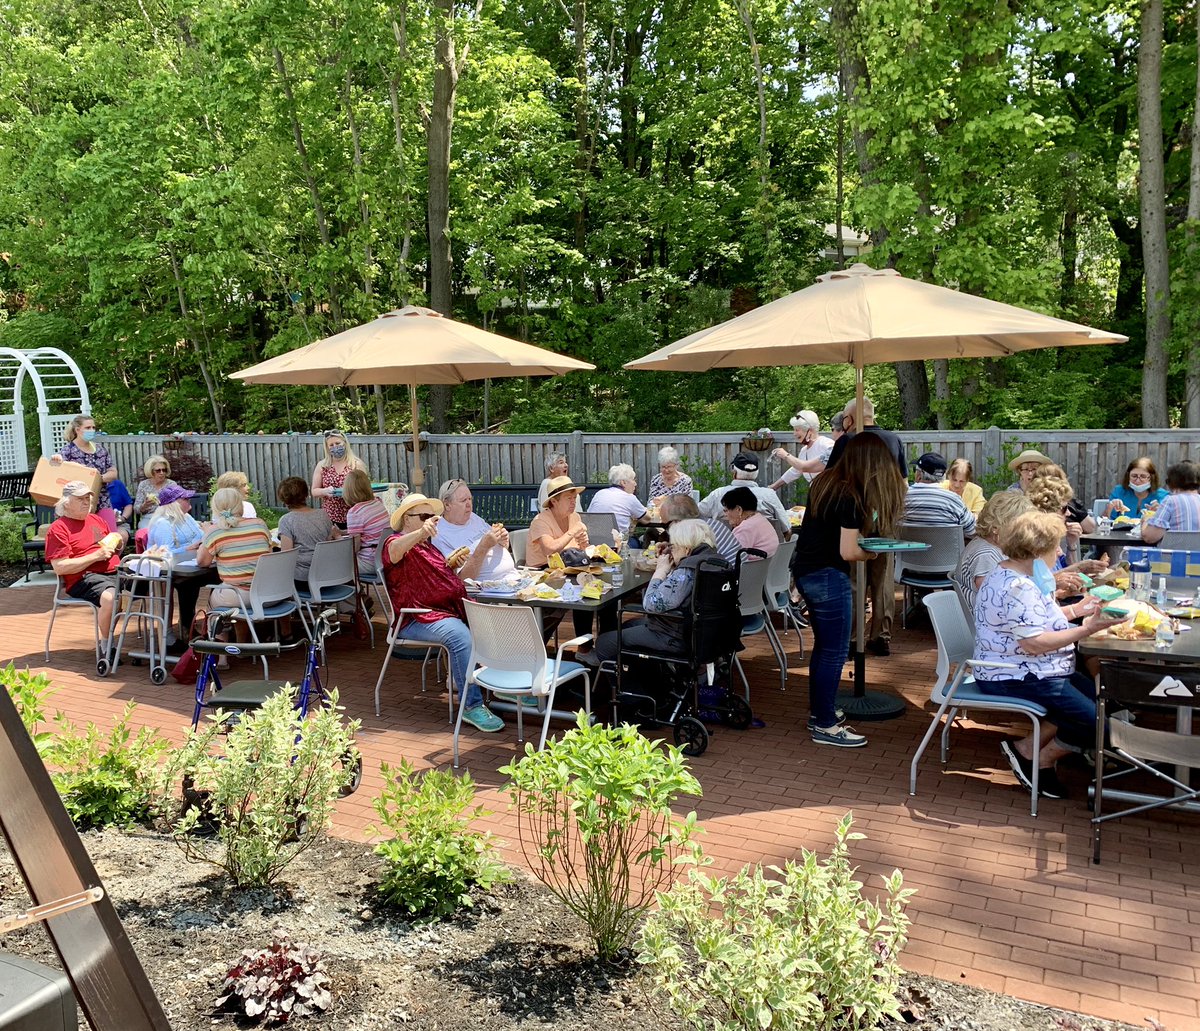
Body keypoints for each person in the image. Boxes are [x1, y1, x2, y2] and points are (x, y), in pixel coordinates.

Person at [973, 511, 1126, 799]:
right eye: (1054, 546)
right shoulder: (1017, 587)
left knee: (1104, 700)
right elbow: (1035, 643)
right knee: (1098, 723)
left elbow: (1037, 621)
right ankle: (1038, 756)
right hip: (1016, 675)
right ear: (1034, 549)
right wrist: (1087, 628)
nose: (1059, 551)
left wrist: (1078, 610)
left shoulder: (1017, 575)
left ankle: (1030, 752)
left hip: (1034, 670)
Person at [790, 434, 907, 747]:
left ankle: (821, 711)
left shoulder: (824, 483)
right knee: (834, 652)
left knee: (824, 649)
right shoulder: (850, 495)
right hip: (829, 577)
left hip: (807, 572)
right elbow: (848, 551)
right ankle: (825, 725)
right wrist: (872, 553)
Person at [382, 493, 504, 733]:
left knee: (490, 621)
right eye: (426, 517)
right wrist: (419, 533)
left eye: (433, 517)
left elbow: (436, 578)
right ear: (408, 519)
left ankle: (503, 687)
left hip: (442, 611)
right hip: (417, 617)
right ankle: (471, 705)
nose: (432, 522)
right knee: (460, 637)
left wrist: (451, 564)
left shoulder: (429, 547)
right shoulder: (396, 542)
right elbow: (394, 552)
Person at [588, 519, 726, 668]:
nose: (671, 550)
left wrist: (661, 570)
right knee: (629, 625)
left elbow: (651, 604)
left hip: (675, 636)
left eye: (674, 546)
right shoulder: (714, 560)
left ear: (686, 548)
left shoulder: (687, 571)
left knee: (604, 642)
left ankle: (630, 685)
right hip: (705, 633)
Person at [45, 481, 121, 647]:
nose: (87, 502)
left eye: (88, 498)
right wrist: (95, 556)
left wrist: (118, 541)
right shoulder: (58, 529)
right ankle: (107, 646)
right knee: (111, 598)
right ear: (66, 503)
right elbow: (60, 567)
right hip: (84, 577)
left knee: (155, 585)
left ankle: (164, 640)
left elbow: (111, 546)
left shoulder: (96, 519)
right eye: (81, 499)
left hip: (115, 571)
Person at [145, 483, 216, 637]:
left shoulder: (186, 518)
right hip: (169, 572)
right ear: (175, 503)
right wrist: (190, 547)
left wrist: (203, 539)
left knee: (218, 576)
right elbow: (165, 552)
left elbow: (199, 537)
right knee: (188, 584)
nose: (190, 503)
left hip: (192, 566)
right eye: (186, 499)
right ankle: (187, 626)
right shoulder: (163, 524)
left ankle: (215, 623)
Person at [196, 487, 273, 613]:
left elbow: (202, 562)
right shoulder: (259, 524)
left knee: (211, 603)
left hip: (240, 596)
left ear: (216, 508)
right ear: (240, 505)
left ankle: (218, 632)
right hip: (271, 592)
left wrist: (206, 534)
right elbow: (269, 555)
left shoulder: (215, 531)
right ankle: (285, 633)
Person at [432, 478, 517, 582]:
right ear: (447, 505)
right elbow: (462, 580)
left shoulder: (473, 517)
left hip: (513, 577)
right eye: (463, 500)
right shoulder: (439, 534)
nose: (469, 504)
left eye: (470, 499)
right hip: (488, 590)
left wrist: (503, 541)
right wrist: (483, 546)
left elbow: (499, 546)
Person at [698, 453, 791, 539]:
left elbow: (696, 514)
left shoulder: (718, 494)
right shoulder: (769, 495)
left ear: (734, 473)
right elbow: (787, 530)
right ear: (756, 474)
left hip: (724, 551)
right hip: (767, 554)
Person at [277, 477, 340, 590]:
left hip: (303, 580)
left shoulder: (286, 520)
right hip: (328, 575)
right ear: (306, 495)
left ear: (284, 500)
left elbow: (286, 556)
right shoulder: (323, 514)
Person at [49, 414, 118, 513]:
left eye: (93, 427)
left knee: (109, 528)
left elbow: (112, 472)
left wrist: (97, 479)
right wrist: (56, 459)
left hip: (102, 501)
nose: (92, 430)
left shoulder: (100, 449)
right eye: (88, 427)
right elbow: (58, 468)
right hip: (77, 504)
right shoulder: (68, 450)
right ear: (77, 430)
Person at [825, 397, 907, 476]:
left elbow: (829, 479)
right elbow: (903, 479)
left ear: (849, 420)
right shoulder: (893, 439)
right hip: (888, 490)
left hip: (854, 490)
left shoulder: (847, 440)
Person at [903, 452, 976, 538]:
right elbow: (973, 531)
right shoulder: (954, 501)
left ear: (919, 474)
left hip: (908, 551)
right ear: (944, 476)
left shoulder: (901, 497)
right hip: (948, 551)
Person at [660, 493, 739, 566]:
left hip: (727, 577)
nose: (667, 530)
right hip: (737, 573)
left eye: (666, 525)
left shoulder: (698, 532)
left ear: (679, 521)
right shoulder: (710, 524)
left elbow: (687, 567)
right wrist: (672, 547)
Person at [527, 476, 588, 567]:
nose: (573, 502)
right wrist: (573, 531)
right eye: (568, 498)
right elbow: (549, 550)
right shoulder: (540, 521)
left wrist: (583, 544)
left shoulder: (575, 516)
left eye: (574, 498)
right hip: (543, 571)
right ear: (554, 501)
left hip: (569, 567)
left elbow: (578, 551)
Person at [311, 431, 366, 529]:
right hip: (330, 517)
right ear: (327, 448)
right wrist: (325, 491)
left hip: (355, 516)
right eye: (331, 445)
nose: (335, 447)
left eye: (337, 443)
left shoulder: (356, 464)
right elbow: (314, 491)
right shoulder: (322, 466)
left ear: (345, 443)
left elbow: (365, 490)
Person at [343, 469, 392, 578]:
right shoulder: (377, 502)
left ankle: (356, 592)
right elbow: (368, 530)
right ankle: (360, 592)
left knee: (334, 564)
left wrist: (337, 537)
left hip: (369, 562)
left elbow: (354, 548)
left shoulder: (355, 512)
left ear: (348, 490)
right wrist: (343, 532)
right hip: (384, 558)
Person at [769, 409, 834, 490]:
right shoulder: (804, 451)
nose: (794, 434)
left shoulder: (826, 444)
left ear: (809, 430)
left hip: (831, 492)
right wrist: (773, 486)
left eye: (797, 430)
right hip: (815, 493)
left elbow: (803, 467)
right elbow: (794, 471)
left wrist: (786, 455)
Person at [1141, 460, 1200, 544]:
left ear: (1172, 482)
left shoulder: (1171, 501)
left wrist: (1146, 520)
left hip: (1174, 556)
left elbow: (1150, 537)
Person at [587, 464, 650, 536]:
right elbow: (646, 519)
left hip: (595, 543)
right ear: (623, 482)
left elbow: (589, 516)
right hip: (619, 544)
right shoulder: (629, 497)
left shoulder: (599, 493)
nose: (635, 484)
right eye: (633, 480)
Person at [721, 486, 778, 559]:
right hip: (768, 567)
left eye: (726, 510)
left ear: (739, 509)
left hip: (753, 569)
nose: (725, 515)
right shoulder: (760, 519)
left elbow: (731, 558)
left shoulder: (744, 529)